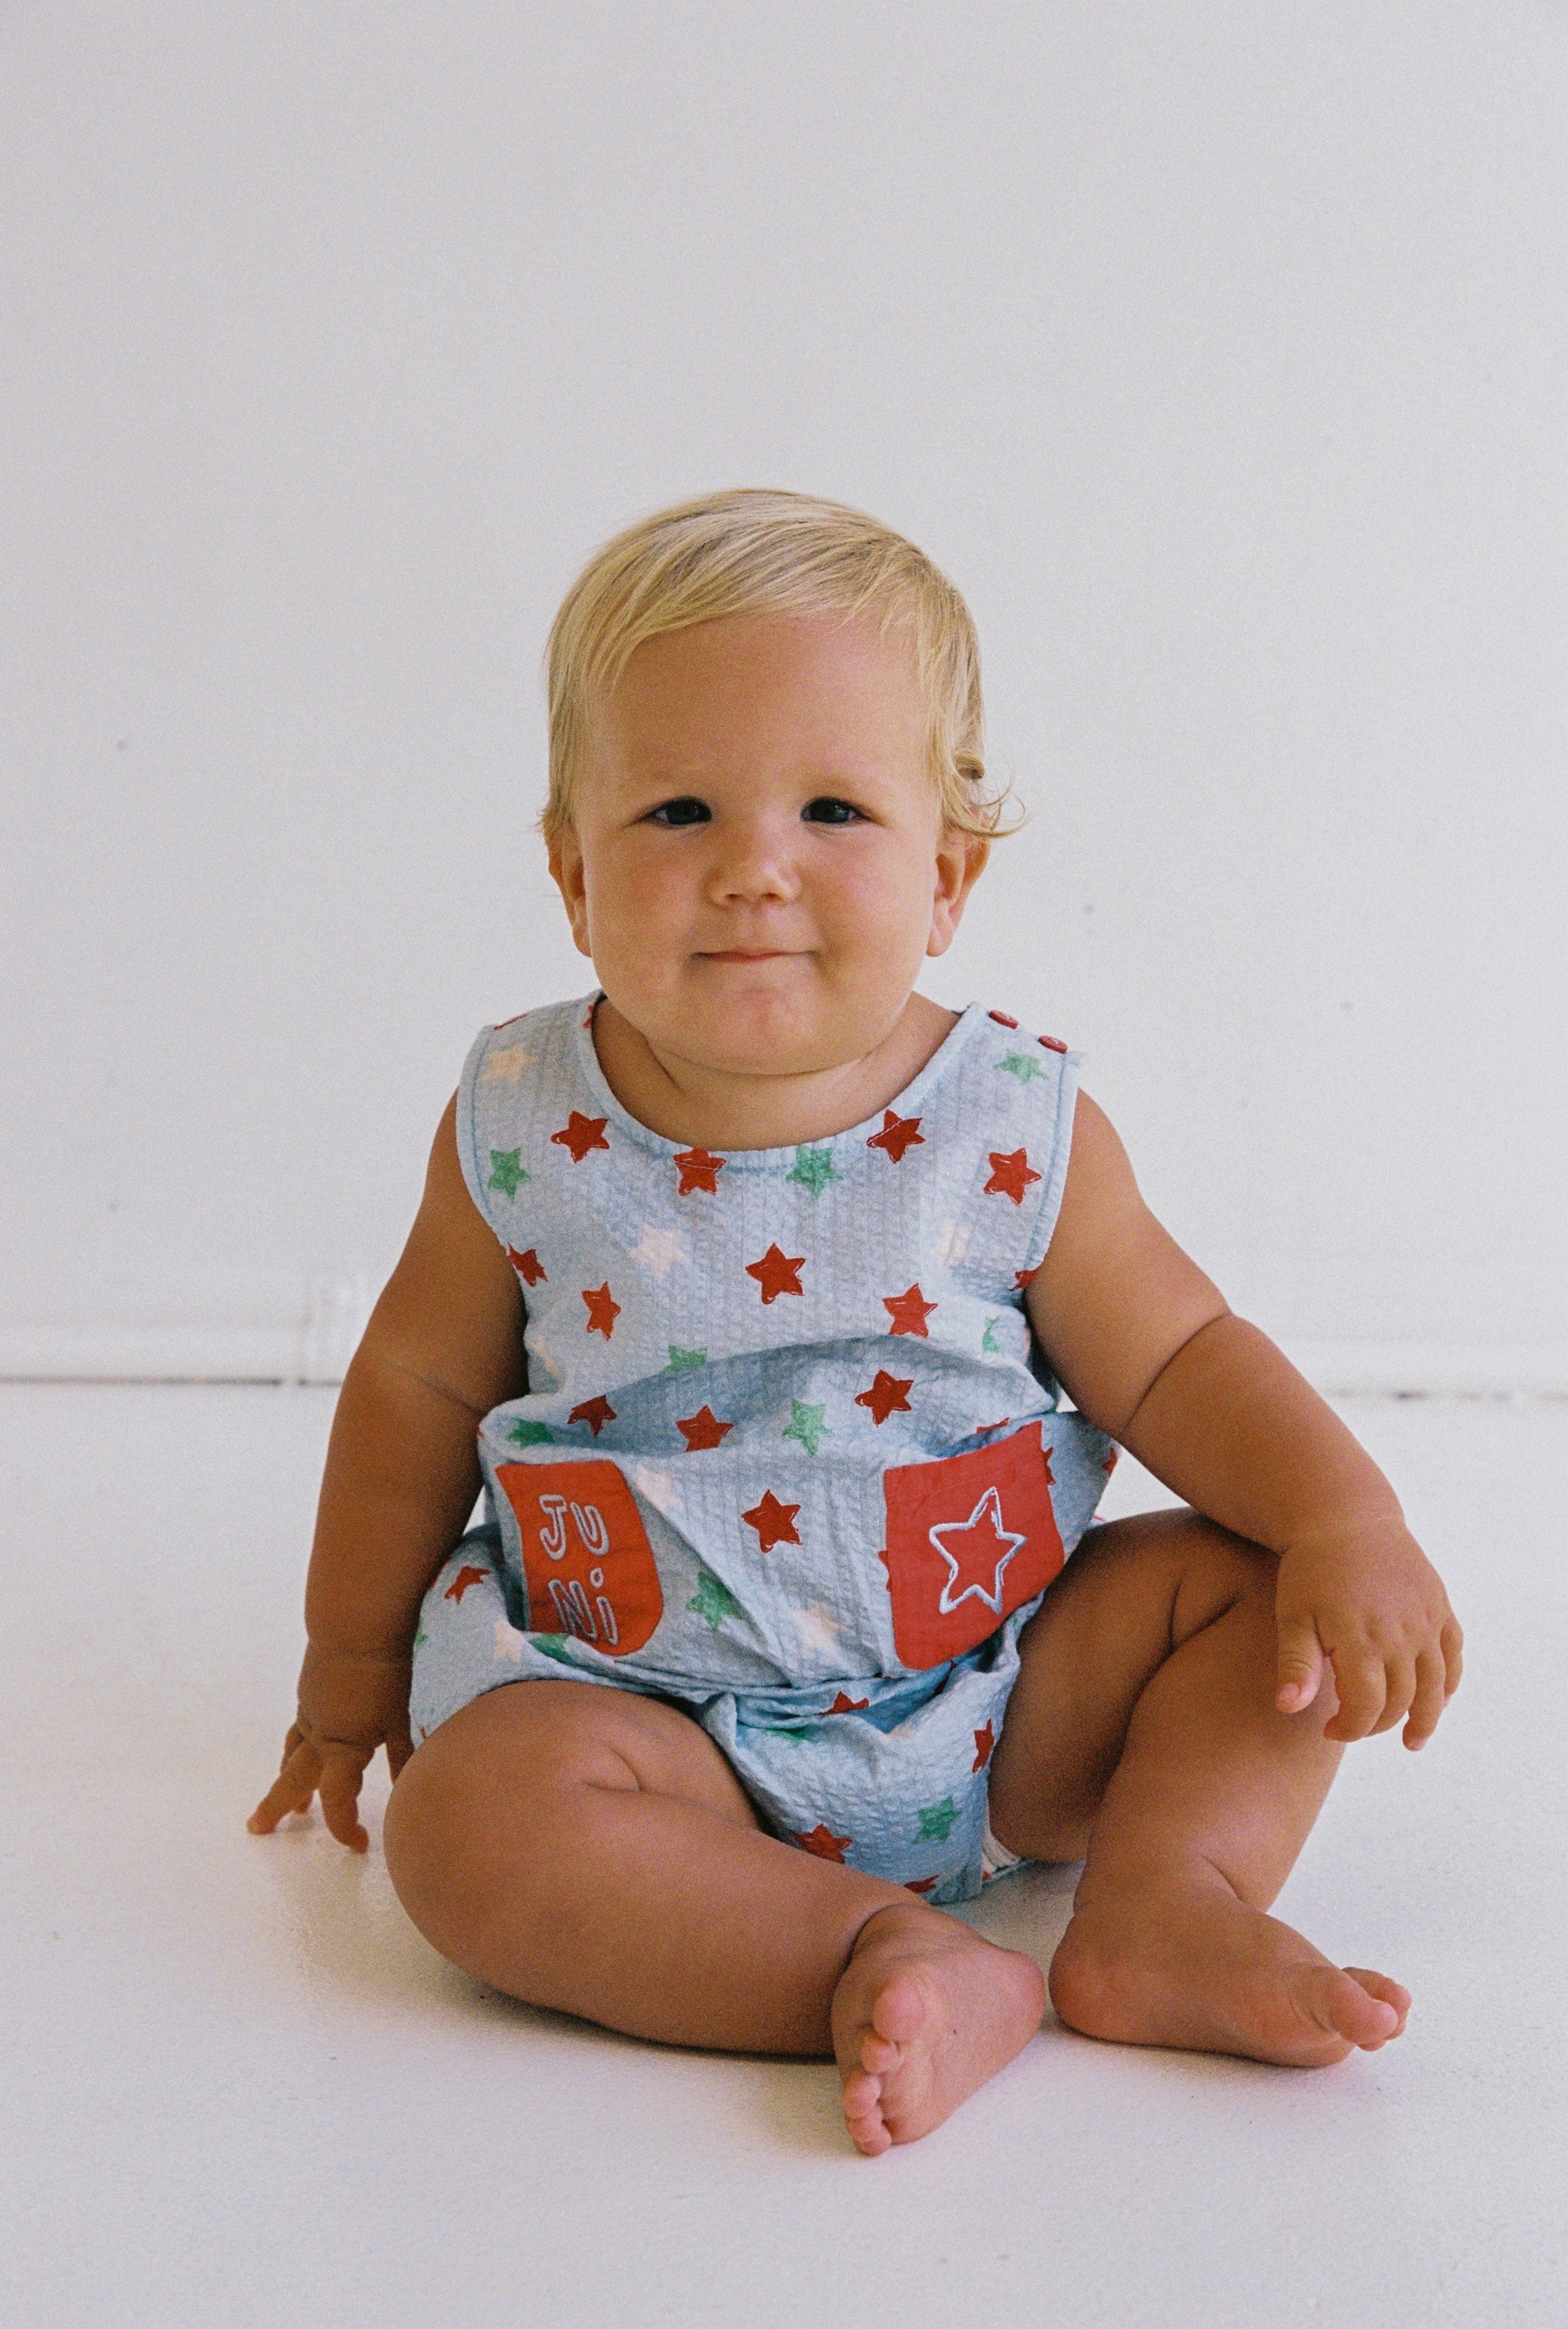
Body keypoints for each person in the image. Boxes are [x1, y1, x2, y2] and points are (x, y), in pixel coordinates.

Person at [249, 489, 1462, 2158]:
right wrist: (347, 1669)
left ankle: (1163, 1905)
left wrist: (1345, 1517)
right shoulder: (523, 1122)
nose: (754, 867)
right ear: (570, 871)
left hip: (1009, 1703)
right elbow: (412, 1386)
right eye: (678, 809)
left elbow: (1178, 1361)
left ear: (948, 876)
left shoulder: (1015, 1123)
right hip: (644, 1725)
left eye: (832, 807)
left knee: (1251, 1597)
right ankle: (867, 1955)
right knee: (469, 1831)